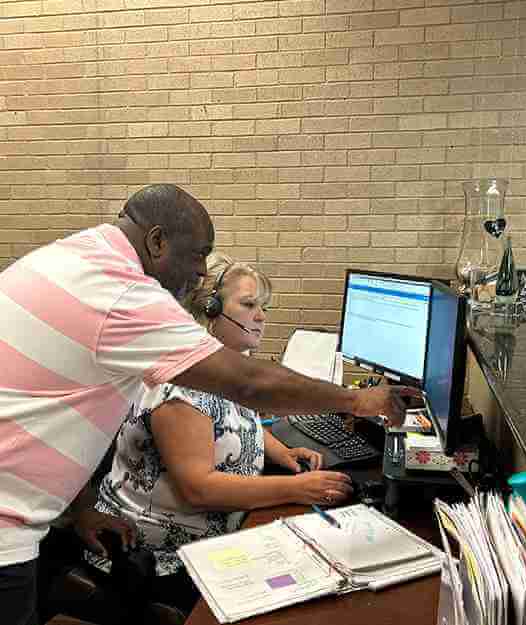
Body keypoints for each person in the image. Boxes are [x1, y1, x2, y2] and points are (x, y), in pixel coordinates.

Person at [0, 183, 410, 625]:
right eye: (198, 254)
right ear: (157, 240)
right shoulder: (122, 294)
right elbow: (248, 387)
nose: (200, 272)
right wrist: (358, 400)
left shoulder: (74, 259)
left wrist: (79, 510)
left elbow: (51, 408)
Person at [84, 253, 353, 613]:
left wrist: (279, 452)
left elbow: (235, 420)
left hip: (211, 537)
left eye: (264, 307)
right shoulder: (181, 385)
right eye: (249, 305)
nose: (261, 317)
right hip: (157, 560)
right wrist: (298, 488)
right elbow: (198, 488)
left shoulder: (220, 369)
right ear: (210, 310)